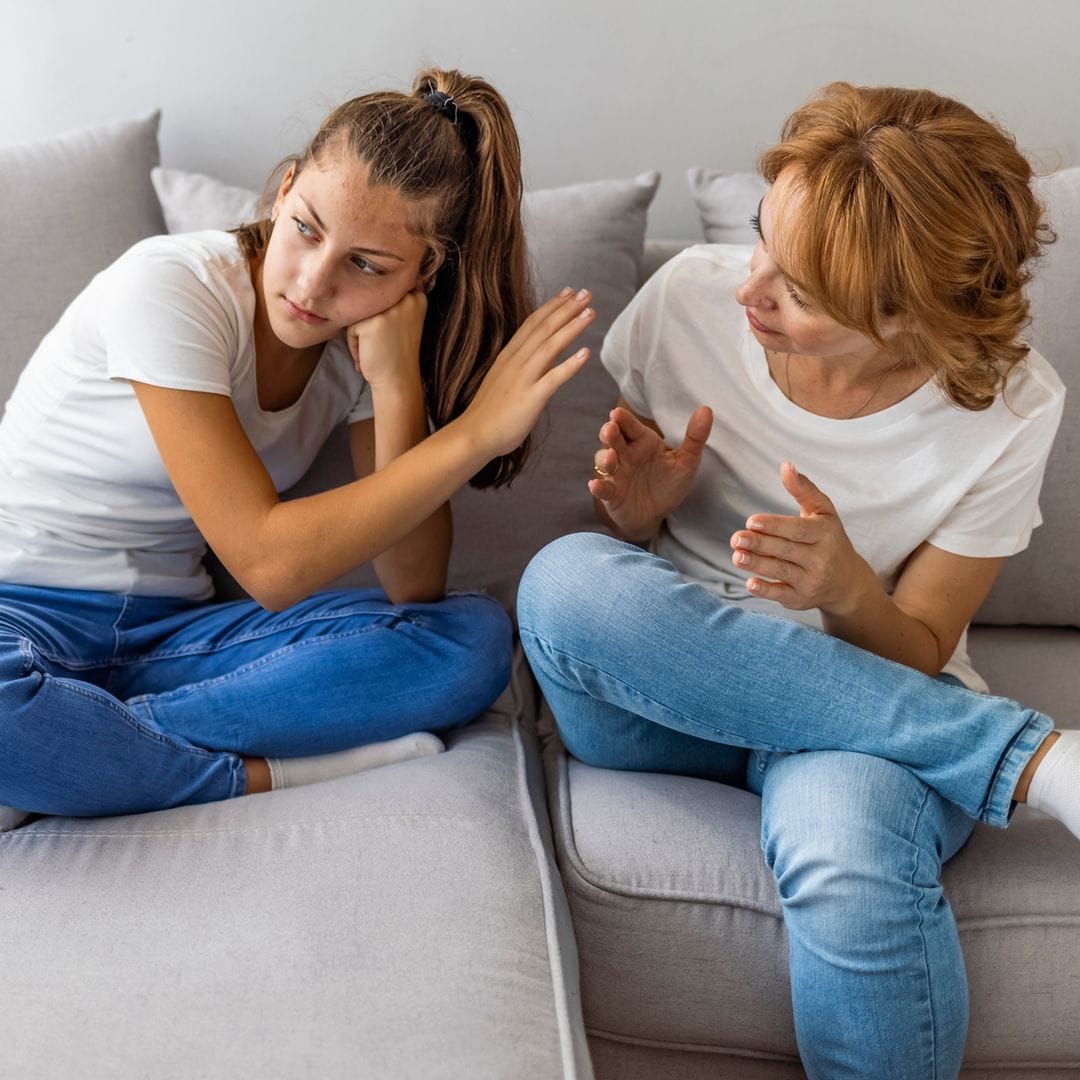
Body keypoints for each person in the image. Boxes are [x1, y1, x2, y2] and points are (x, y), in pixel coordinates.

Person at [517, 82, 1078, 1079]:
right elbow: (622, 583)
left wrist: (849, 589)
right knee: (565, 583)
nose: (749, 290)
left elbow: (921, 647)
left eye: (800, 292)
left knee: (853, 853)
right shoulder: (687, 300)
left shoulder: (1011, 408)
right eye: (761, 240)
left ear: (907, 316)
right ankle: (1029, 762)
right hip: (664, 713)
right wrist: (640, 514)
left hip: (861, 713)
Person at [0, 67, 594, 821]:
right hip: (17, 610)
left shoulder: (363, 350)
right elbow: (268, 564)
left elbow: (414, 586)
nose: (313, 286)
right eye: (307, 228)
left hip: (168, 642)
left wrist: (398, 385)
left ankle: (70, 754)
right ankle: (252, 773)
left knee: (468, 641)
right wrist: (477, 434)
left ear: (423, 272)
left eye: (366, 265)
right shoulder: (172, 287)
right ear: (283, 191)